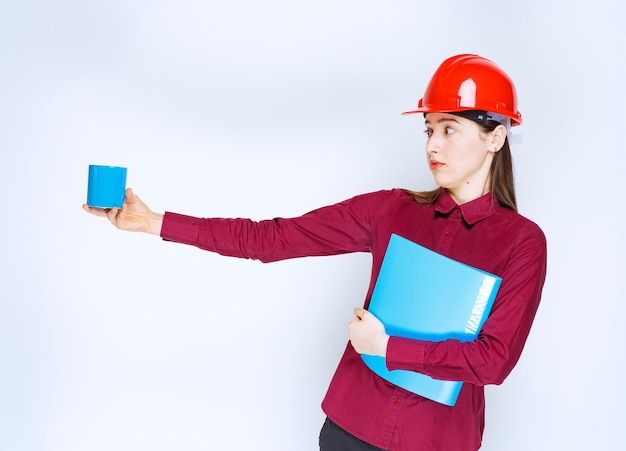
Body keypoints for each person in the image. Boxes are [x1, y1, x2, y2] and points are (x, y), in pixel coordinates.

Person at [83, 54, 547, 451]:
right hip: (350, 427)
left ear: (496, 137)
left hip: (435, 438)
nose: (432, 145)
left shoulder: (522, 243)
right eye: (428, 129)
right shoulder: (392, 209)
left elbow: (493, 361)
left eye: (450, 129)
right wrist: (154, 222)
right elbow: (272, 239)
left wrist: (387, 349)